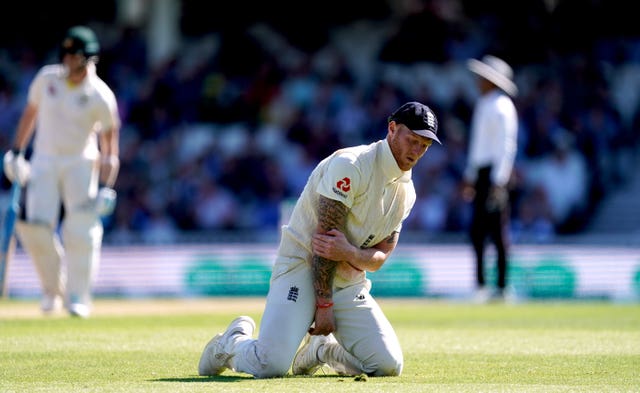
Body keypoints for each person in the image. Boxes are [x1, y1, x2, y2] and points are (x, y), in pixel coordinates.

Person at [198, 101, 441, 378]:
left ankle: (320, 350)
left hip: (347, 281)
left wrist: (349, 253)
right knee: (271, 365)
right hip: (301, 265)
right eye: (412, 140)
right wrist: (325, 305)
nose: (417, 151)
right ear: (392, 129)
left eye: (424, 145)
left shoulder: (407, 193)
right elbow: (324, 243)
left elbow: (380, 258)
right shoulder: (351, 164)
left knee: (388, 365)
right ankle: (231, 342)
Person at [2, 25, 120, 318]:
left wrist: (107, 186)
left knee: (80, 230)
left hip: (81, 162)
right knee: (35, 228)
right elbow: (30, 114)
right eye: (65, 54)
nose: (67, 61)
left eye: (74, 55)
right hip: (43, 159)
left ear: (88, 58)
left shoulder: (100, 95)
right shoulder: (47, 79)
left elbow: (110, 147)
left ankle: (78, 296)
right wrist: (16, 152)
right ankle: (52, 291)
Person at [462, 55, 518, 303]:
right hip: (482, 174)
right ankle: (481, 285)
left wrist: (499, 180)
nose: (478, 81)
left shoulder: (502, 106)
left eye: (483, 78)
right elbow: (478, 147)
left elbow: (506, 146)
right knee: (478, 231)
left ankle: (503, 287)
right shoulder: (484, 104)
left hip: (494, 175)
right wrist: (470, 177)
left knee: (497, 232)